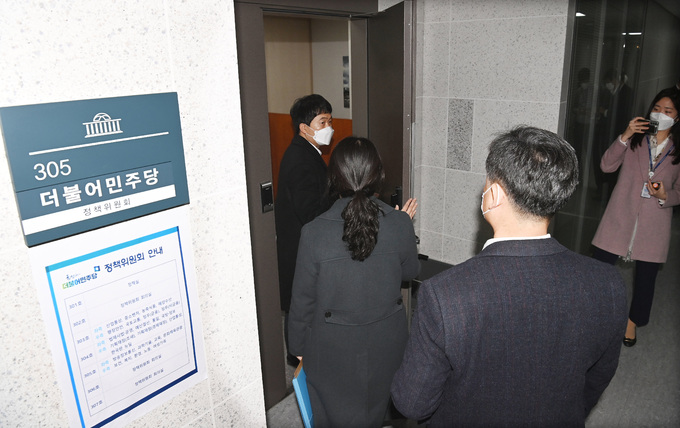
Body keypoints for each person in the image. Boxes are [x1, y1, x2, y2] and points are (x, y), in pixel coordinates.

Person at [390, 126, 627, 427]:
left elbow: (412, 403)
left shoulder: (445, 295)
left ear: (494, 195)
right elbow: (596, 379)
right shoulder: (608, 285)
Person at [288, 137, 420, 427]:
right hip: (388, 342)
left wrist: (297, 345)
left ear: (334, 177)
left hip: (332, 347)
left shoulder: (313, 232)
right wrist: (404, 228)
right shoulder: (399, 223)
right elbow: (409, 272)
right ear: (378, 175)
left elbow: (303, 300)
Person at [592, 88, 680, 347]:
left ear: (677, 117)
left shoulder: (677, 152)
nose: (660, 114)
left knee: (645, 279)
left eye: (668, 111)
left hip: (654, 223)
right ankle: (594, 316)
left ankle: (632, 322)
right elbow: (606, 165)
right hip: (620, 216)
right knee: (599, 271)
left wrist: (665, 195)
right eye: (656, 108)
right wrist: (625, 135)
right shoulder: (634, 140)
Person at [275, 94, 335, 366]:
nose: (328, 128)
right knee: (299, 304)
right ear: (304, 127)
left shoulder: (308, 152)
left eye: (330, 121)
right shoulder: (300, 159)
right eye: (322, 122)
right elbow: (310, 212)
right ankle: (296, 358)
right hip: (298, 247)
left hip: (303, 245)